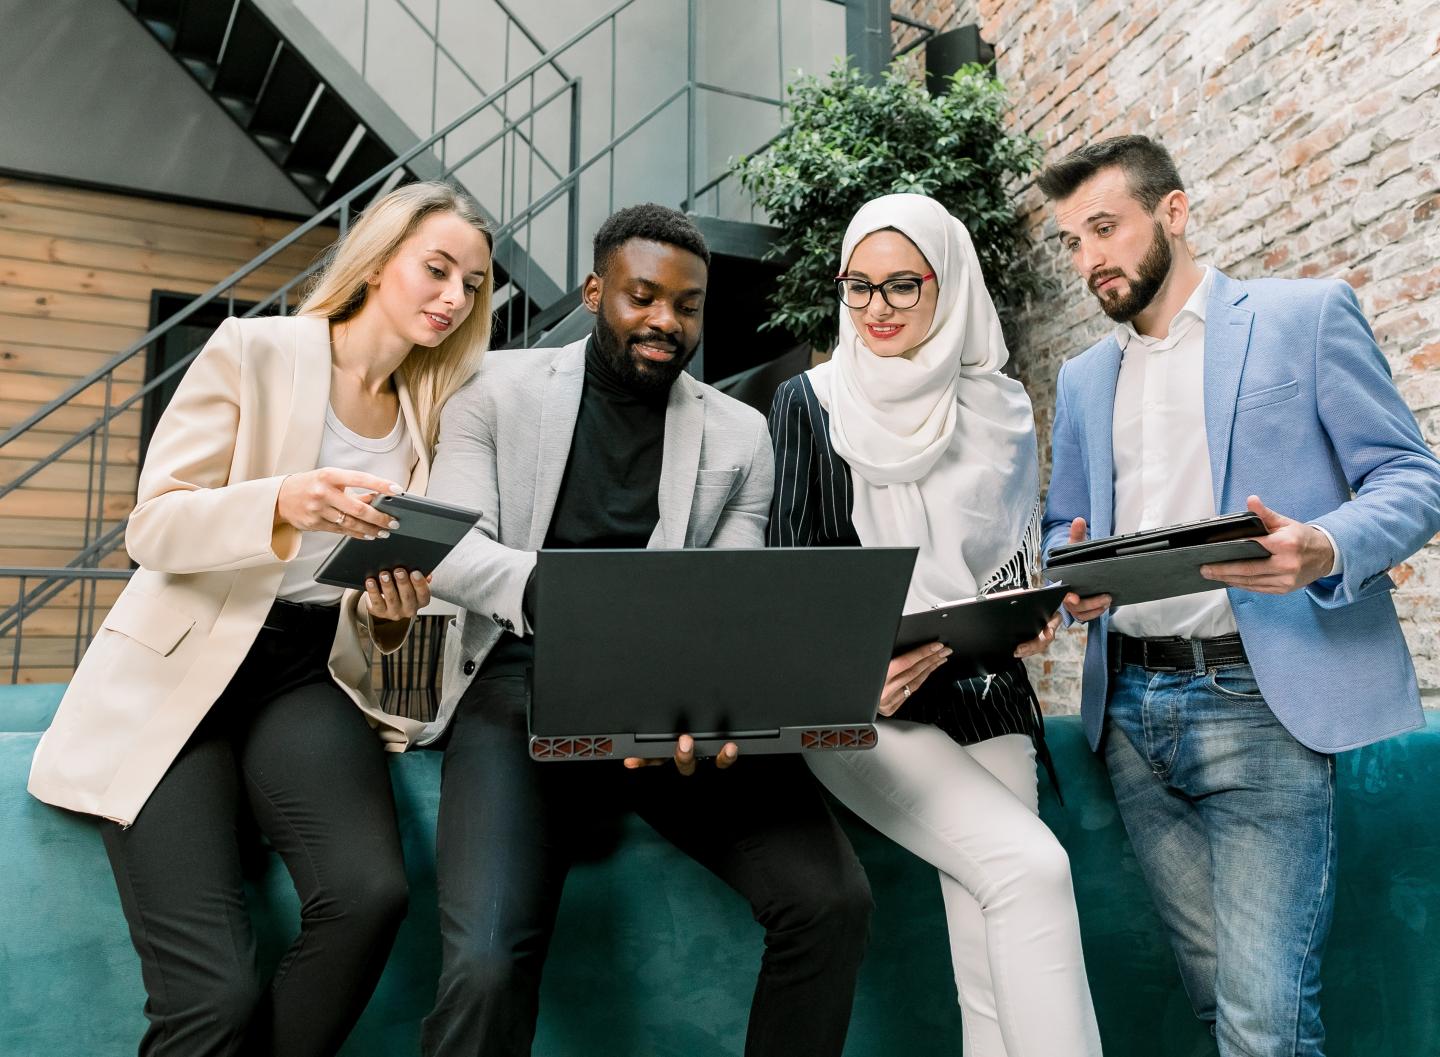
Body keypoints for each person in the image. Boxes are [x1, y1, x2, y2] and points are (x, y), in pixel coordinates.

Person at [27, 181, 496, 1057]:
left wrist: (392, 614)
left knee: (370, 894)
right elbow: (153, 525)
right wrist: (284, 498)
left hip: (306, 671)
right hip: (185, 661)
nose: (453, 298)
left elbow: (378, 606)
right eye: (437, 270)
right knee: (215, 999)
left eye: (472, 285)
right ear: (378, 261)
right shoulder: (257, 349)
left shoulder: (434, 414)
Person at [418, 203, 873, 1057]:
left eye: (687, 304)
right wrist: (563, 598)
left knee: (830, 901)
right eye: (642, 296)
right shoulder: (494, 390)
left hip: (675, 699)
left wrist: (718, 705)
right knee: (482, 964)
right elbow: (449, 550)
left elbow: (728, 605)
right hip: (522, 684)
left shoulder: (743, 435)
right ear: (595, 293)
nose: (667, 320)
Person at [1037, 134, 1440, 1056]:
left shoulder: (1304, 317)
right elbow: (1065, 525)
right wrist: (1076, 573)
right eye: (1073, 240)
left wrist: (1324, 545)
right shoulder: (1082, 377)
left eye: (1105, 227)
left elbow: (1415, 480)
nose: (1088, 257)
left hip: (1261, 705)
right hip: (1133, 718)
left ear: (1173, 212)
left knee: (1263, 1021)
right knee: (1227, 1007)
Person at [768, 193, 1102, 1057]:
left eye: (902, 286)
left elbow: (1011, 564)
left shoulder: (998, 407)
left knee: (993, 941)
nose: (876, 309)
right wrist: (846, 673)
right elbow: (792, 583)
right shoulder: (809, 401)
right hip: (861, 707)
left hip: (984, 689)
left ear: (947, 284)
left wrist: (1031, 613)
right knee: (1032, 868)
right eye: (859, 287)